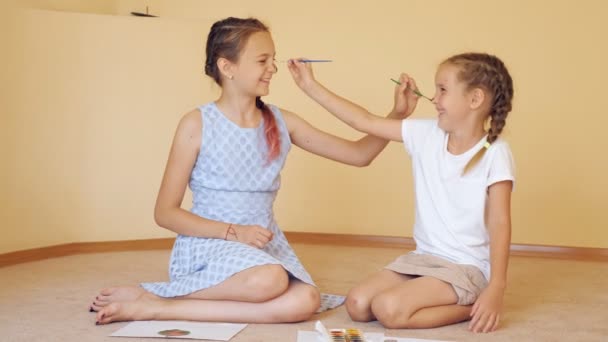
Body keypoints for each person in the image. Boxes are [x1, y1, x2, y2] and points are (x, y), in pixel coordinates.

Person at [90, 17, 418, 325]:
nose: (273, 68)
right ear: (226, 67)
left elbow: (358, 155)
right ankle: (158, 296)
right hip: (210, 245)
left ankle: (160, 307)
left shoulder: (281, 121)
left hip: (260, 247)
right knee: (270, 280)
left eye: (273, 59)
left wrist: (396, 114)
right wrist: (235, 232)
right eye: (263, 61)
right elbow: (165, 213)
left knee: (305, 300)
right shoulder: (196, 124)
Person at [288, 52, 514, 333]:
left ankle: (471, 305)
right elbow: (363, 121)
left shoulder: (495, 153)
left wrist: (496, 287)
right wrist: (310, 86)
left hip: (466, 267)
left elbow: (500, 223)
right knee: (358, 304)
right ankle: (444, 297)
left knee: (389, 309)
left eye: (443, 90)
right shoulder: (426, 134)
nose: (434, 99)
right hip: (423, 259)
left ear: (475, 99)